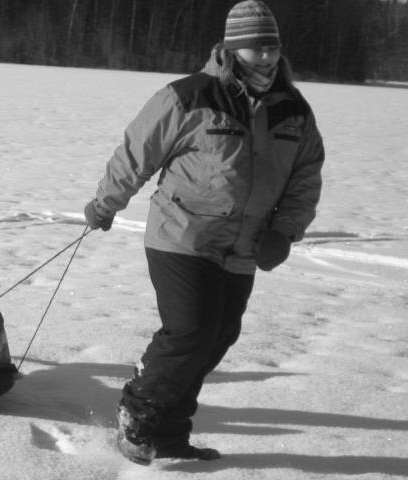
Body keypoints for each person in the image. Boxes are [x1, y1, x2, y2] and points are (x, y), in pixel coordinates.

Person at [84, 0, 325, 465]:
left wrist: (285, 230)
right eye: (257, 48)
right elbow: (137, 153)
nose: (268, 56)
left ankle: (171, 432)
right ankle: (138, 410)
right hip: (183, 234)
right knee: (191, 330)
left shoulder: (293, 109)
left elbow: (305, 175)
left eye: (273, 47)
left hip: (244, 245)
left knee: (219, 337)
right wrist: (104, 204)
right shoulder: (189, 96)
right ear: (233, 49)